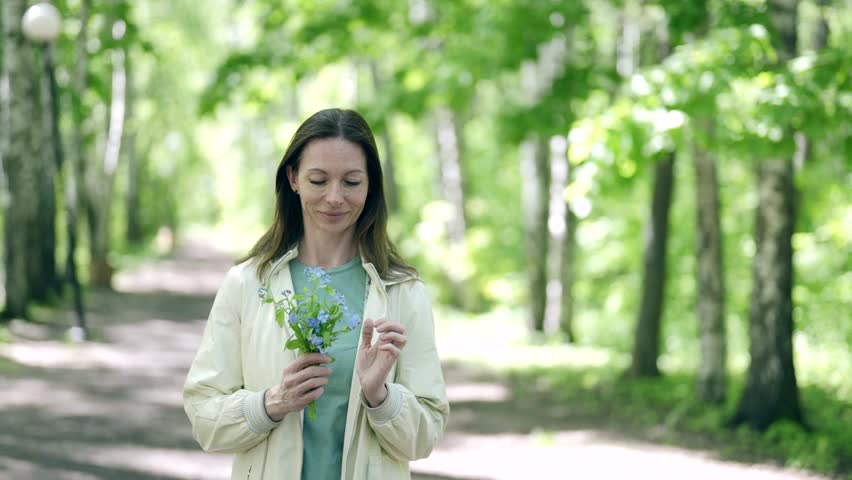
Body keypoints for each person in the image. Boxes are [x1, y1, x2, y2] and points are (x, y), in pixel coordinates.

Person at [183, 108, 449, 480]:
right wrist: (273, 403)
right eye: (319, 180)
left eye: (352, 182)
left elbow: (425, 436)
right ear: (293, 178)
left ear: (371, 183)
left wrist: (381, 397)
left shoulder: (402, 291)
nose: (335, 197)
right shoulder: (246, 284)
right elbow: (203, 415)